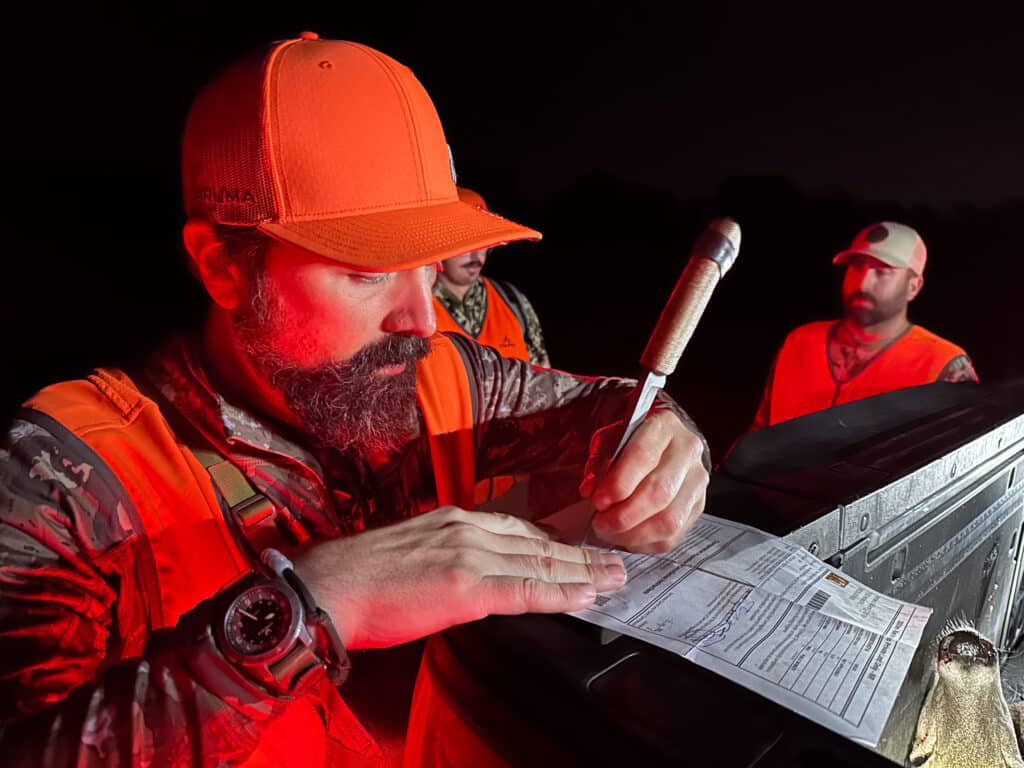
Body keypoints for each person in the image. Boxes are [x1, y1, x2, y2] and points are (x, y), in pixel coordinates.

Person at [0, 33, 710, 766]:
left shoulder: (442, 376)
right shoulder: (63, 480)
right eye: (370, 272)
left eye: (430, 265)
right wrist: (305, 608)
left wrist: (670, 440)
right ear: (223, 268)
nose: (422, 321)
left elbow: (608, 409)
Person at [749, 221, 978, 430]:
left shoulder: (942, 364)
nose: (863, 282)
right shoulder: (800, 342)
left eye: (882, 271)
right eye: (857, 267)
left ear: (913, 286)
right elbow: (757, 436)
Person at [432, 187, 551, 366]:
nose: (477, 254)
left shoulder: (512, 302)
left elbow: (543, 380)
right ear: (438, 241)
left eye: (484, 240)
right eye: (466, 239)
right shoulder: (417, 311)